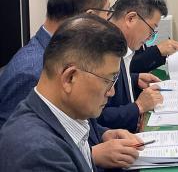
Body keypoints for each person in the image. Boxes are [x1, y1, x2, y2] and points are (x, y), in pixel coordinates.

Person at [0, 14, 143, 171]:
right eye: (108, 80)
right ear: (70, 78)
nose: (112, 92)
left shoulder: (65, 112)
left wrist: (103, 134)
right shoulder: (39, 155)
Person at [0, 0, 111, 129]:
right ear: (89, 17)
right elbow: (20, 141)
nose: (108, 21)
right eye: (107, 12)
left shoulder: (62, 53)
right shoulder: (33, 73)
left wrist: (103, 134)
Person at [97, 0, 167, 132]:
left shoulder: (121, 42)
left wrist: (134, 79)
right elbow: (96, 116)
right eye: (151, 29)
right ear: (131, 18)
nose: (150, 37)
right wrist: (138, 107)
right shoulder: (101, 49)